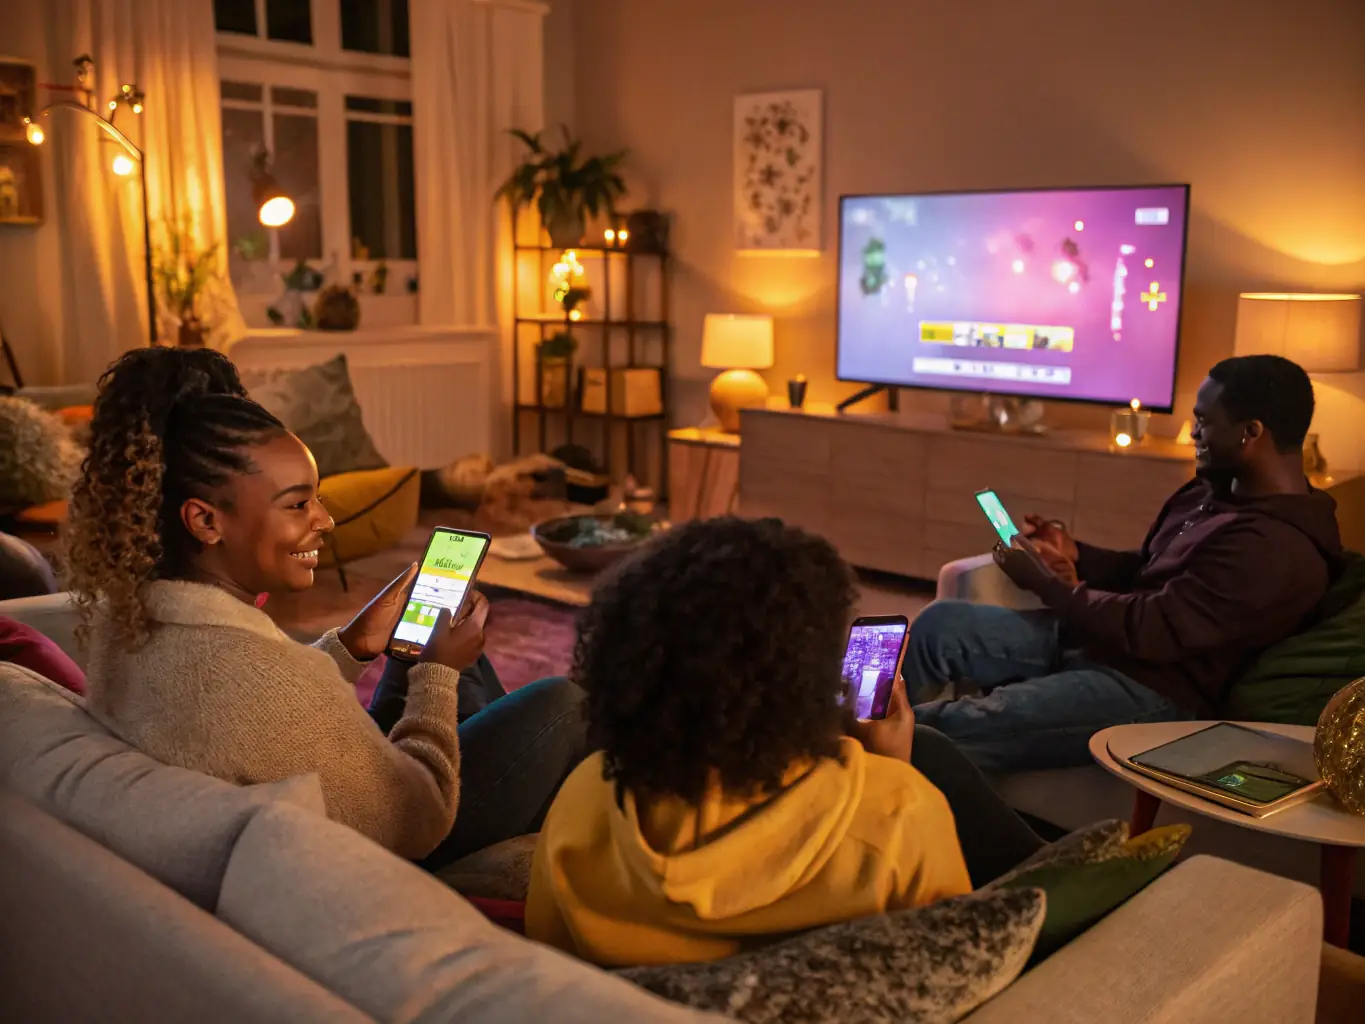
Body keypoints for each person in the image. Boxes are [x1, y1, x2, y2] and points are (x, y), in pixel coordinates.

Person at [65, 347, 586, 868]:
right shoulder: (268, 681)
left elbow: (264, 715)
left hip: (326, 800)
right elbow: (418, 816)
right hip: (408, 841)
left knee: (436, 651)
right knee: (561, 703)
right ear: (205, 521)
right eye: (297, 504)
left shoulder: (128, 622)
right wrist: (435, 674)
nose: (325, 520)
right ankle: (571, 826)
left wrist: (353, 642)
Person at [526, 517, 1043, 967]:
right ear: (811, 679)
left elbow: (550, 965)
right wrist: (890, 773)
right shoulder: (900, 815)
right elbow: (944, 973)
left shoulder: (584, 800)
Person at [906, 355, 1344, 771]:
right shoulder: (1210, 494)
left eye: (1204, 422)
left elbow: (1153, 626)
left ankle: (868, 771)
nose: (1193, 432)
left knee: (938, 726)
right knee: (938, 626)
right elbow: (1151, 571)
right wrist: (1080, 554)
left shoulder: (1275, 548)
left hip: (1156, 691)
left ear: (1250, 432)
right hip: (1104, 644)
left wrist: (1047, 585)